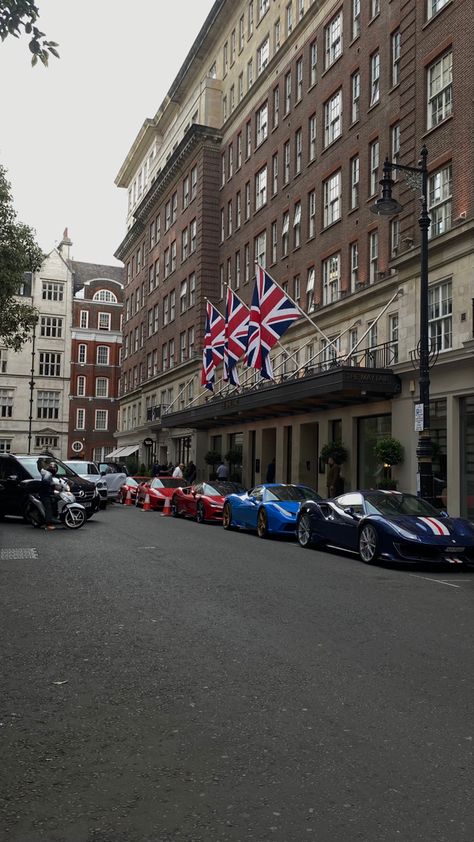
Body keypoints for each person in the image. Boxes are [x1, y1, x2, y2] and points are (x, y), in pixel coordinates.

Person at [38, 460, 59, 530]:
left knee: (55, 501)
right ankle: (48, 524)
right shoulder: (48, 475)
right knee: (48, 507)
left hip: (47, 492)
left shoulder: (48, 473)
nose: (54, 470)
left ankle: (53, 517)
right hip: (44, 493)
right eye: (54, 468)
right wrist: (52, 486)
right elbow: (46, 482)